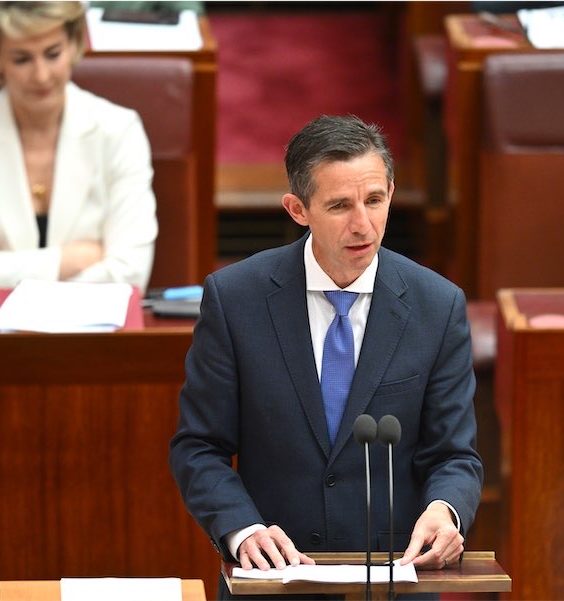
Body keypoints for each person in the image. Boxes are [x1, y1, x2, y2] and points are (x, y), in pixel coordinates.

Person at [169, 115, 483, 598]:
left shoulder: (437, 305)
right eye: (340, 205)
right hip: (274, 579)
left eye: (375, 200)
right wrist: (243, 528)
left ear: (392, 193)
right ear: (298, 209)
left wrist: (446, 508)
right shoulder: (236, 299)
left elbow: (454, 453)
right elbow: (198, 446)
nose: (363, 225)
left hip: (391, 580)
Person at [0, 1, 158, 295]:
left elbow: (131, 272)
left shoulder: (119, 130)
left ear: (74, 44)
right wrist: (69, 260)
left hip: (96, 333)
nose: (41, 75)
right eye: (22, 59)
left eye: (53, 54)